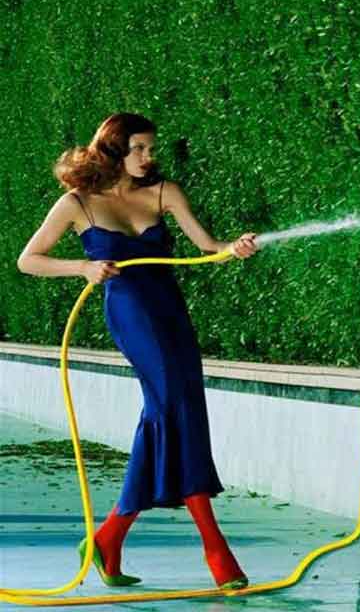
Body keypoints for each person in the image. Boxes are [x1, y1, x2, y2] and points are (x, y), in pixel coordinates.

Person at [15, 112, 259, 588]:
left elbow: (209, 245)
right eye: (139, 149)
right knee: (171, 409)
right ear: (113, 151)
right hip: (131, 314)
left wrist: (235, 247)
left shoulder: (165, 192)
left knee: (176, 410)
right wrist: (83, 268)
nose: (149, 157)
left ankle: (109, 537)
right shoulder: (77, 203)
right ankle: (215, 548)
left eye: (151, 148)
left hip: (170, 312)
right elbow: (29, 260)